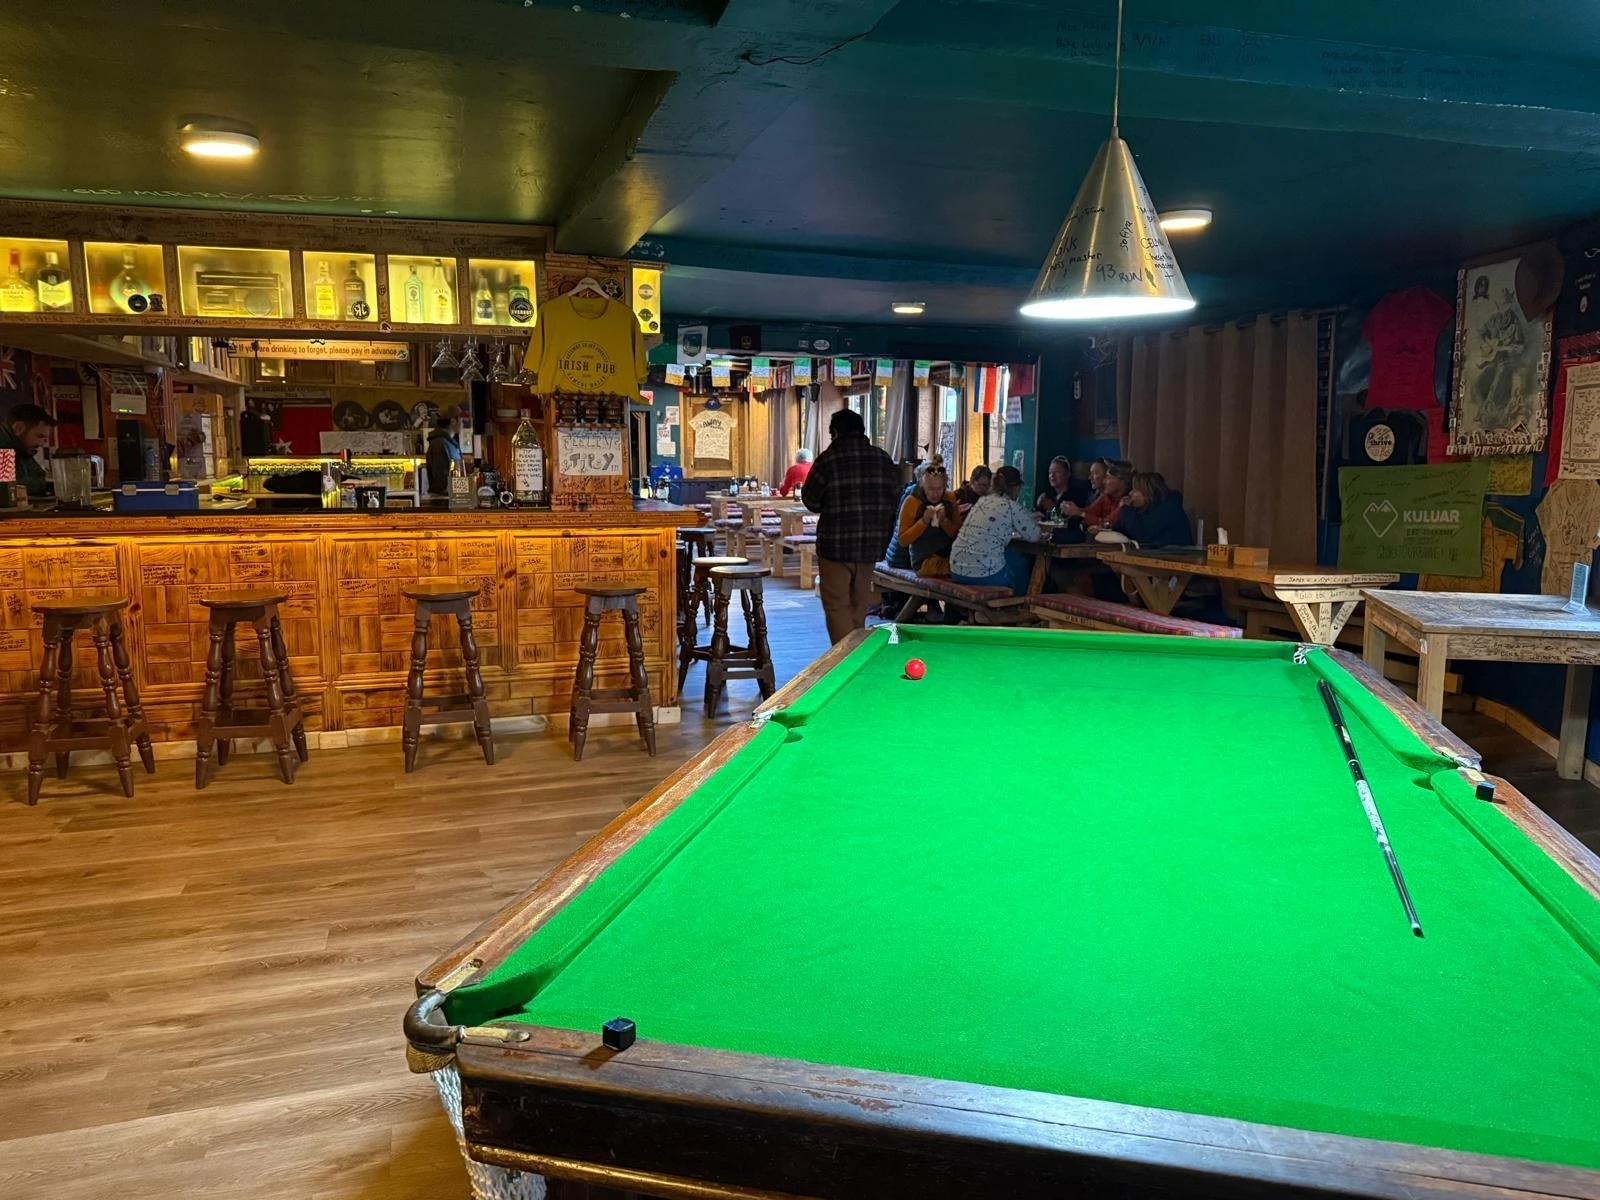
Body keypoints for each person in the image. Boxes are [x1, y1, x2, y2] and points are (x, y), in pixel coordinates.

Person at [802, 408, 901, 643]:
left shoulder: (827, 460)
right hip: (871, 545)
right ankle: (856, 654)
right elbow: (895, 497)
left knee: (837, 605)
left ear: (835, 432)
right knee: (859, 604)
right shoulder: (882, 458)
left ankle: (843, 659)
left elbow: (811, 501)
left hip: (836, 545)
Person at [950, 465, 1041, 594]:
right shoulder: (1011, 506)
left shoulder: (982, 501)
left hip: (956, 570)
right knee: (1019, 564)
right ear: (1016, 488)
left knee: (1010, 556)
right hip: (984, 576)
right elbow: (1034, 535)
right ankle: (1020, 606)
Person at [897, 461, 960, 578]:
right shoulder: (912, 501)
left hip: (948, 554)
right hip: (923, 560)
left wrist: (944, 521)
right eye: (930, 489)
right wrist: (923, 522)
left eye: (939, 489)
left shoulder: (950, 498)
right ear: (922, 485)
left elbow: (956, 535)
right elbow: (902, 540)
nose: (935, 494)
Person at [1113, 472, 1194, 548]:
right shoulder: (1143, 509)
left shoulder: (1168, 509)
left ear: (1148, 493)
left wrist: (1127, 510)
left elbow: (1142, 534)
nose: (1130, 493)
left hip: (1176, 556)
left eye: (1135, 490)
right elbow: (1122, 531)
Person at [0, 403, 56, 497]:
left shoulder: (22, 449)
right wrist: (52, 485)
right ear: (19, 428)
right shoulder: (3, 445)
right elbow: (8, 486)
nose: (41, 444)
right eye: (39, 436)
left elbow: (39, 476)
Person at [1067, 459, 1132, 531]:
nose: (1104, 481)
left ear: (1122, 482)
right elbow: (1091, 511)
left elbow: (1107, 523)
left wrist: (1080, 513)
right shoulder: (1106, 496)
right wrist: (1072, 509)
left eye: (1109, 478)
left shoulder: (1127, 501)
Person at [425, 415, 463, 496]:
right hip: (443, 499)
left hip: (451, 496)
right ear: (453, 421)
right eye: (461, 420)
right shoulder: (440, 443)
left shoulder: (449, 443)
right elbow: (439, 475)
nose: (462, 424)